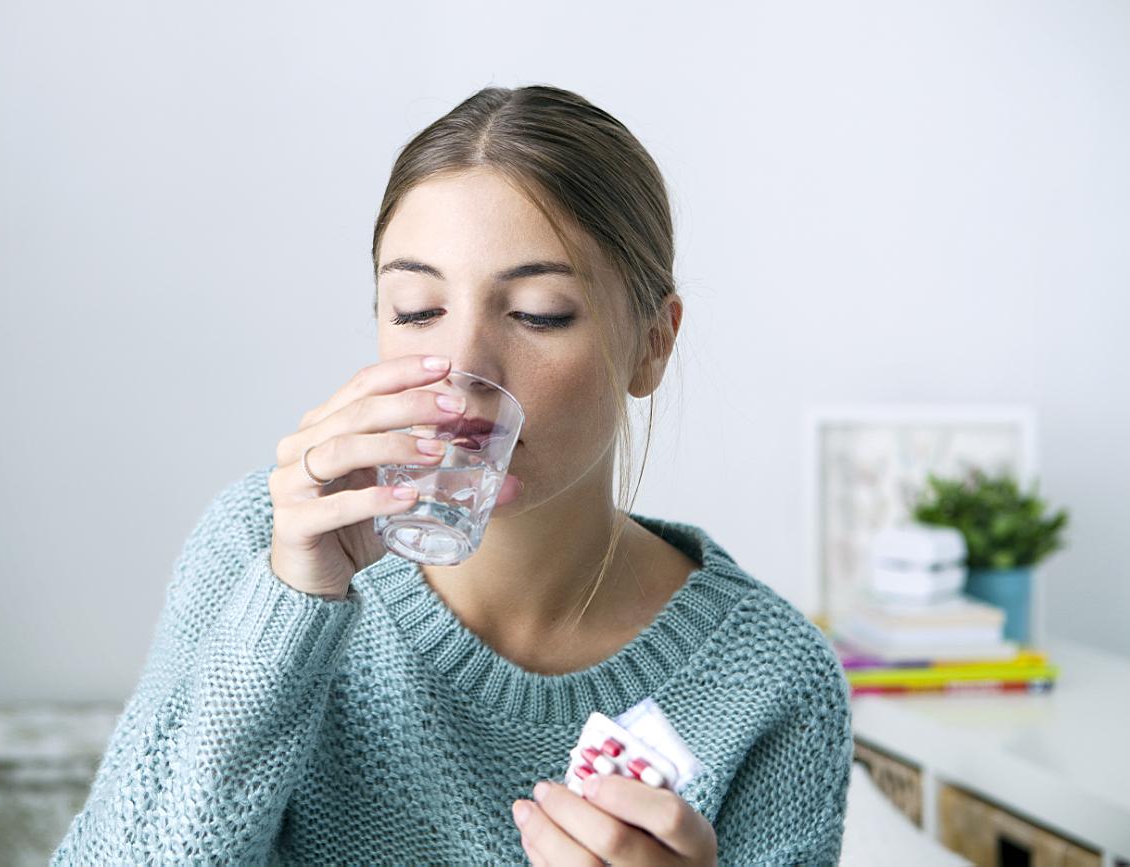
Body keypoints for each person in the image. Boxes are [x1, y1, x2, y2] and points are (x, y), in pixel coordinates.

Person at [51, 84, 852, 865]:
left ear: (652, 344)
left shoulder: (773, 679)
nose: (463, 368)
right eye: (416, 310)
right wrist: (288, 607)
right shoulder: (258, 547)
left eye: (537, 312)